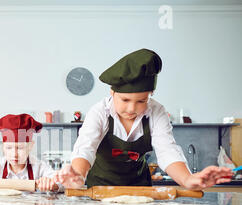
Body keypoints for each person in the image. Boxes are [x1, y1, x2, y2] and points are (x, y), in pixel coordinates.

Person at [54, 49, 232, 190]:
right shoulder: (99, 112)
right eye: (124, 100)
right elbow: (86, 148)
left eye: (141, 101)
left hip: (140, 191)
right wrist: (77, 176)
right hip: (100, 189)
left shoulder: (157, 112)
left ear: (151, 95)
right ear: (112, 92)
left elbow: (167, 150)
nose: (132, 109)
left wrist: (188, 179)